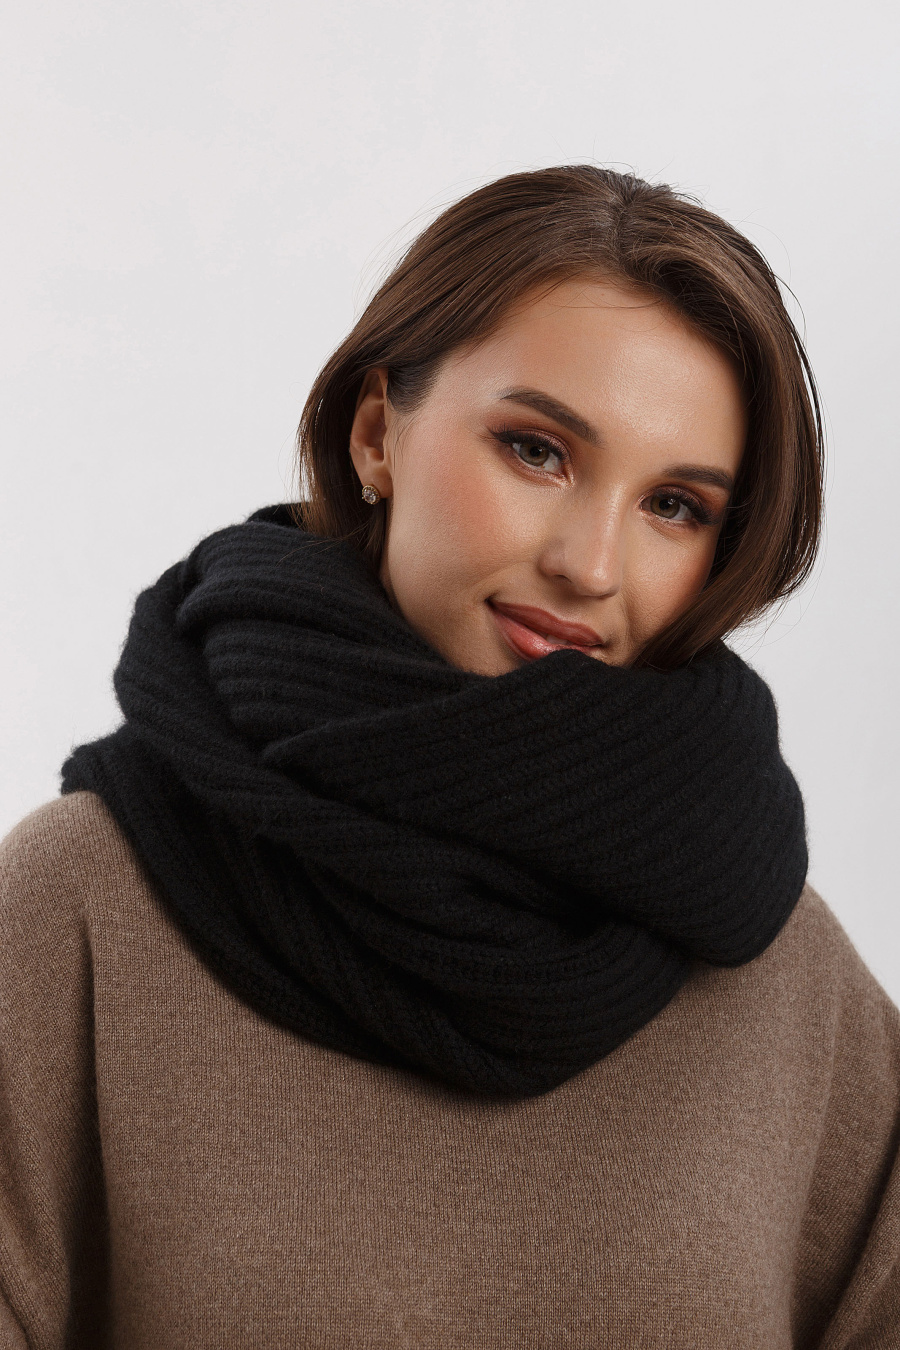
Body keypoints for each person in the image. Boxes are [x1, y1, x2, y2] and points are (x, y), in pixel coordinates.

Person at [1, 165, 897, 1348]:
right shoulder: (78, 912)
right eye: (537, 451)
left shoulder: (781, 979)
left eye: (674, 506)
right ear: (377, 433)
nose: (590, 565)